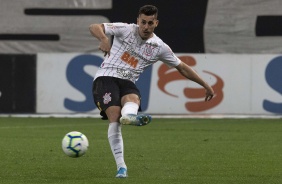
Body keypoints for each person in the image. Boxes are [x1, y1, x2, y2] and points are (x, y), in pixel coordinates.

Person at [89, 5, 214, 178]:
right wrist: (103, 38)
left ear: (156, 23)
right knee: (115, 116)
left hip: (128, 81)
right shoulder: (125, 29)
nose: (146, 27)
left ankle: (130, 117)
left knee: (133, 98)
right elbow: (95, 27)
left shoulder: (159, 46)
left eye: (150, 23)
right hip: (106, 77)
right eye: (143, 22)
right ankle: (121, 166)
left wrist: (205, 85)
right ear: (137, 21)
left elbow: (182, 68)